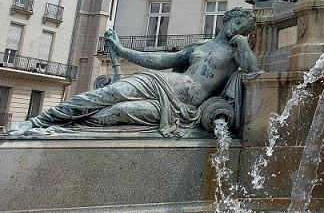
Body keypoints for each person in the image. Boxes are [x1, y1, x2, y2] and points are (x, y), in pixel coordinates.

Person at [5, 8, 261, 137]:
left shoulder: (237, 53)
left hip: (182, 109)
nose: (239, 28)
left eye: (245, 28)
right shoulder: (200, 46)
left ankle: (67, 126)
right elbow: (160, 59)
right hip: (159, 82)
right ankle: (36, 122)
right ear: (227, 19)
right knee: (109, 93)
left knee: (117, 112)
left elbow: (253, 73)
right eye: (238, 22)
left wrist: (243, 42)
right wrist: (121, 49)